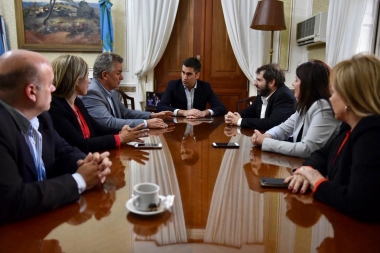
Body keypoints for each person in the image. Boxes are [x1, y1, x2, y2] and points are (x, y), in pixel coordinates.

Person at [0, 49, 112, 224]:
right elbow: (12, 200)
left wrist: (90, 164)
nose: (53, 89)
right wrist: (80, 180)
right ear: (31, 92)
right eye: (50, 84)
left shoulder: (41, 116)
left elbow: (63, 150)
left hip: (45, 217)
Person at [286, 54, 380, 222]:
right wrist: (303, 173)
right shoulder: (348, 128)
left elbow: (359, 203)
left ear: (350, 98)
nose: (330, 99)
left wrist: (317, 181)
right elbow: (321, 155)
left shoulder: (372, 135)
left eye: (334, 92)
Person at [48, 55, 149, 154]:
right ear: (75, 80)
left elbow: (97, 128)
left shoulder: (77, 102)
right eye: (87, 76)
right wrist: (120, 138)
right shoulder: (55, 108)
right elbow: (81, 145)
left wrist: (123, 132)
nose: (89, 81)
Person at [251, 60, 340, 158]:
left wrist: (265, 142)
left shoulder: (323, 107)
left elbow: (307, 149)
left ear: (308, 84)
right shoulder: (306, 104)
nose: (293, 84)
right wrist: (267, 135)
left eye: (296, 80)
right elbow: (284, 128)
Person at [81, 52, 174, 129]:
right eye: (118, 73)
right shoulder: (92, 92)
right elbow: (108, 122)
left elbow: (125, 113)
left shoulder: (111, 90)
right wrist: (146, 123)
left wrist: (152, 115)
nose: (122, 77)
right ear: (105, 75)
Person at [224, 63, 295, 130]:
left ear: (272, 82)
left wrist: (239, 121)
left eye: (259, 80)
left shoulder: (284, 96)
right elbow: (251, 111)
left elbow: (271, 123)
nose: (255, 83)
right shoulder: (264, 92)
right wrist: (236, 116)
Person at [156, 57, 227, 118]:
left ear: (197, 75)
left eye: (189, 74)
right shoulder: (173, 85)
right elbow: (160, 107)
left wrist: (204, 113)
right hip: (178, 126)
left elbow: (221, 108)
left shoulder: (205, 87)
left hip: (198, 126)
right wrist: (184, 112)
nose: (184, 77)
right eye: (183, 72)